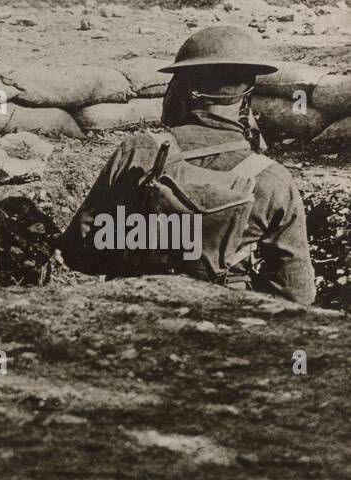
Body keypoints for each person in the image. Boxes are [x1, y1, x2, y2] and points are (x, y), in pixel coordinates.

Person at [61, 26, 314, 304]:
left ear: (181, 86)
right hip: (222, 324)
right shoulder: (272, 179)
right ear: (248, 93)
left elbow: (79, 253)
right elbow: (296, 292)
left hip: (134, 313)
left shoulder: (138, 151)